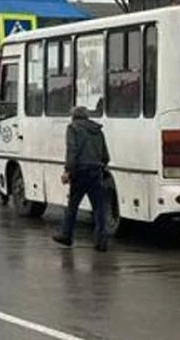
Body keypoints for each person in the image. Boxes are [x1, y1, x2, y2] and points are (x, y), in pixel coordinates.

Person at [53, 106, 111, 252]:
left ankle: (66, 236)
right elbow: (105, 155)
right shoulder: (98, 130)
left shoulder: (73, 129)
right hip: (96, 171)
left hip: (80, 172)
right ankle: (101, 241)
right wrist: (100, 166)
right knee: (99, 208)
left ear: (74, 117)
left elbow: (72, 150)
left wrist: (68, 171)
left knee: (72, 205)